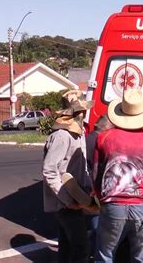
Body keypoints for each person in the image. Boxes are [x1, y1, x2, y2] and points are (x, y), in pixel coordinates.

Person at [93, 87, 143, 262]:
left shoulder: (104, 138)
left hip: (112, 204)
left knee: (105, 255)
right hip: (142, 206)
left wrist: (101, 198)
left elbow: (96, 174)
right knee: (142, 258)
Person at [42, 89, 94, 263]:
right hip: (66, 203)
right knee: (81, 248)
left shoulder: (78, 134)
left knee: (66, 246)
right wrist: (67, 200)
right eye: (81, 111)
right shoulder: (62, 136)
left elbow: (82, 166)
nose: (85, 113)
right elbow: (49, 171)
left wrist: (88, 191)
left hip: (75, 199)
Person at [85, 115, 114, 258]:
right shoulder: (99, 142)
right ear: (106, 128)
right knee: (97, 228)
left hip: (84, 188)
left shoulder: (86, 139)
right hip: (94, 190)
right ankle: (92, 254)